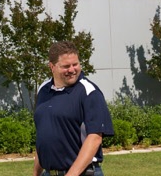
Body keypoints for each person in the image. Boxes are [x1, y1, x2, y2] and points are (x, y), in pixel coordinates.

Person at [34, 41, 114, 176]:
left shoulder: (89, 92)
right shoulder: (43, 90)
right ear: (52, 67)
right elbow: (43, 136)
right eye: (66, 66)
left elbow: (94, 138)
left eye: (75, 64)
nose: (72, 70)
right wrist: (36, 173)